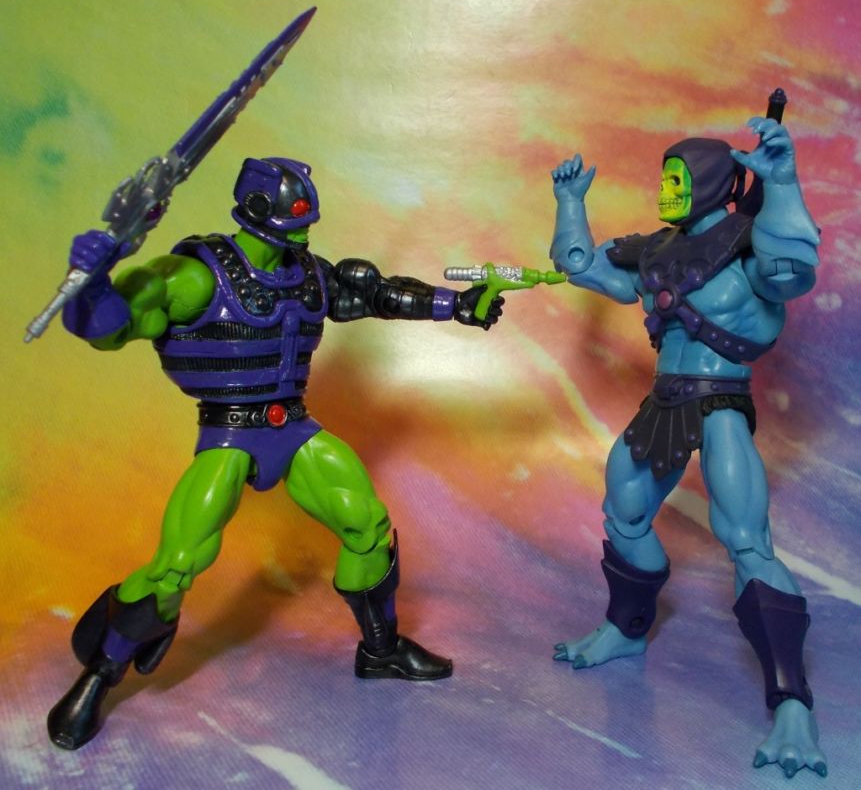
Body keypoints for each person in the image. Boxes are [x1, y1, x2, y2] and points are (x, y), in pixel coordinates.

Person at [48, 156, 503, 750]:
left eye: (307, 222)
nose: (304, 232)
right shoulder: (195, 277)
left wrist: (458, 305)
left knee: (367, 524)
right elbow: (112, 328)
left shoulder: (305, 273)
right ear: (260, 212)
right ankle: (99, 675)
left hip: (293, 427)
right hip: (230, 434)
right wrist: (92, 284)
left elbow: (375, 294)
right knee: (177, 564)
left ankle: (382, 649)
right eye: (296, 220)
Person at [549, 118, 826, 778]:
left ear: (709, 182)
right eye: (664, 177)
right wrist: (570, 203)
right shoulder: (657, 251)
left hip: (721, 402)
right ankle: (626, 628)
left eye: (677, 178)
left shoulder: (750, 246)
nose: (666, 189)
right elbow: (583, 268)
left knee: (746, 540)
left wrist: (782, 183)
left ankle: (792, 705)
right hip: (664, 401)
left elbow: (793, 273)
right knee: (624, 513)